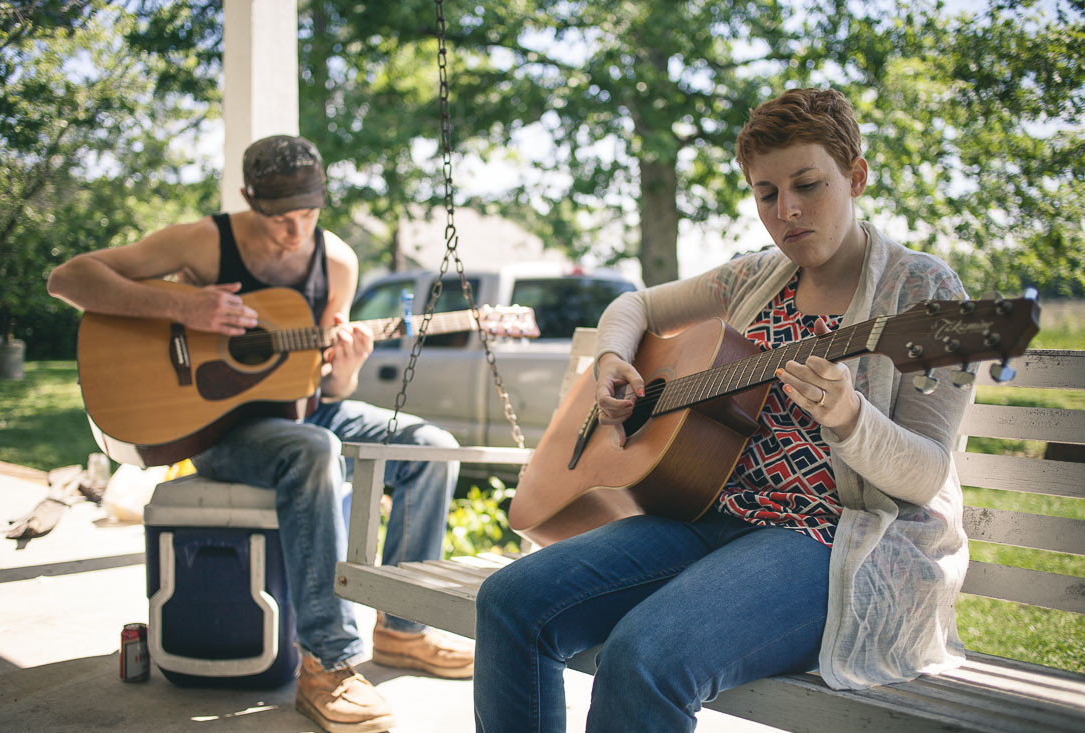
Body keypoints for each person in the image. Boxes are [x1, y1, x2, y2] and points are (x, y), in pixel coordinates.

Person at [473, 88, 972, 732]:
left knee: (644, 657)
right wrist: (612, 362)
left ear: (856, 176)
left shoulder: (922, 292)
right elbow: (635, 308)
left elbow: (928, 474)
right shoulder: (752, 277)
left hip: (833, 541)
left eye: (807, 184)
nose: (786, 210)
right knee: (511, 601)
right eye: (766, 194)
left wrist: (852, 420)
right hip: (707, 515)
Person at [48, 134, 474, 733]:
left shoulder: (337, 262)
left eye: (308, 214)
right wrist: (181, 309)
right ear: (249, 199)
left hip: (302, 416)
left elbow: (324, 391)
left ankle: (403, 631)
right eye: (279, 219)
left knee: (432, 448)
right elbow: (68, 279)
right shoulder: (203, 241)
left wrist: (346, 368)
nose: (295, 233)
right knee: (315, 449)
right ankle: (326, 664)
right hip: (221, 431)